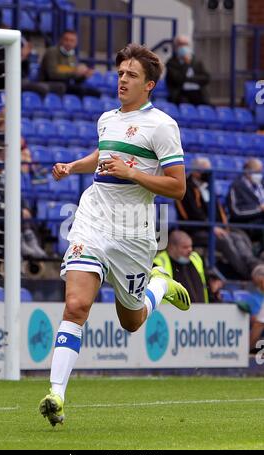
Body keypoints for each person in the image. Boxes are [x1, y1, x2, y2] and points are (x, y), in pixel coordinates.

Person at [39, 43, 191, 427]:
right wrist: (73, 166)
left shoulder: (162, 126)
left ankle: (158, 285)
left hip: (134, 233)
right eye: (121, 72)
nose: (123, 79)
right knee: (76, 305)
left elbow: (178, 188)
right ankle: (56, 393)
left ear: (150, 85)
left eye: (132, 75)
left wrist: (134, 174)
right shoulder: (107, 118)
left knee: (132, 321)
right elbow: (103, 154)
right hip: (92, 218)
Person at [176, 157, 260, 280]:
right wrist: (213, 227)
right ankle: (247, 274)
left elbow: (218, 210)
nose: (208, 174)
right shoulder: (186, 188)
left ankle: (253, 266)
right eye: (205, 171)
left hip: (215, 228)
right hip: (195, 230)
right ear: (195, 171)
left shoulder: (209, 186)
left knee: (238, 236)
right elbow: (192, 214)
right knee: (224, 240)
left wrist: (223, 226)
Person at [39, 29, 100, 97]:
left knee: (96, 92)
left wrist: (84, 75)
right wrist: (74, 71)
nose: (69, 43)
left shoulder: (72, 56)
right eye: (66, 39)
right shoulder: (52, 52)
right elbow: (53, 74)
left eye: (72, 41)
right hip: (51, 84)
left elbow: (75, 79)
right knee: (82, 91)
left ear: (76, 43)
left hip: (66, 85)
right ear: (61, 40)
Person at [153, 230, 208, 303]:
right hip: (170, 312)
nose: (190, 250)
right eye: (185, 247)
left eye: (191, 246)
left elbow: (204, 283)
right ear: (172, 247)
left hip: (201, 310)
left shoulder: (195, 258)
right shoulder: (159, 264)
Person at [228, 158, 264, 247]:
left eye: (260, 171)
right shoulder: (236, 186)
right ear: (248, 171)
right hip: (247, 224)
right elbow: (236, 212)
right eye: (257, 171)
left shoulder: (261, 185)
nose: (259, 174)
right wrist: (259, 209)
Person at [165, 35, 210, 105]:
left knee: (208, 107)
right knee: (185, 104)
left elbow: (206, 78)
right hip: (180, 93)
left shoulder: (196, 62)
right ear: (175, 47)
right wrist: (186, 64)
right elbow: (178, 79)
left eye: (185, 44)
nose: (183, 47)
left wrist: (190, 79)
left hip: (198, 92)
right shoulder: (171, 63)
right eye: (180, 44)